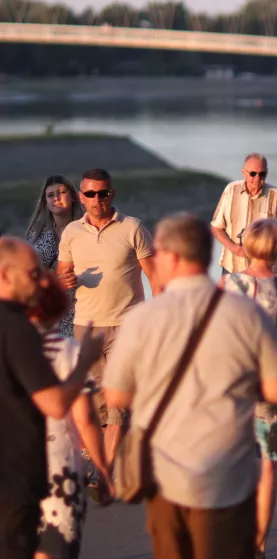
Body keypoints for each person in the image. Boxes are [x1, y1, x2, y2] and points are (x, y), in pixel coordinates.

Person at [102, 214, 277, 559]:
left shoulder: (142, 319)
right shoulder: (245, 312)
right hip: (229, 471)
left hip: (167, 474)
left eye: (157, 252)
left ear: (173, 258)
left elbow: (115, 395)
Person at [0, 237, 102, 559]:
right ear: (5, 275)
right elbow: (56, 404)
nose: (41, 281)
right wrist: (85, 361)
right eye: (32, 274)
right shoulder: (17, 327)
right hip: (16, 480)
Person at [56, 168, 158, 466]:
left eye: (103, 193)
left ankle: (104, 474)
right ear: (80, 197)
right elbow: (63, 274)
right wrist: (66, 281)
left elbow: (155, 279)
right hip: (85, 328)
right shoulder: (72, 232)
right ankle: (113, 456)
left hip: (127, 325)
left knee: (118, 405)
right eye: (90, 194)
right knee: (96, 404)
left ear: (112, 194)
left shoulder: (133, 228)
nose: (97, 199)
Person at [219, 219, 277, 557]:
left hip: (234, 387)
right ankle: (259, 545)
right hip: (273, 388)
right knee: (268, 466)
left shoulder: (227, 284)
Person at [28, 276, 111, 559]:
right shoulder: (67, 351)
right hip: (60, 472)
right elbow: (86, 418)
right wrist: (102, 470)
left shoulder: (9, 346)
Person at [211, 153, 277, 275]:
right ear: (243, 172)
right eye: (252, 174)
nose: (257, 178)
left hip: (265, 272)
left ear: (267, 173)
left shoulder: (276, 195)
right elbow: (216, 227)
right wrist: (233, 248)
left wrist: (271, 235)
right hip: (233, 269)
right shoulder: (231, 190)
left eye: (262, 174)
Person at [24, 175, 84, 337]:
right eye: (50, 195)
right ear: (45, 201)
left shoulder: (86, 229)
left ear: (72, 196)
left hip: (84, 309)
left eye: (62, 192)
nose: (56, 198)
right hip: (50, 311)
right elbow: (27, 275)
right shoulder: (36, 234)